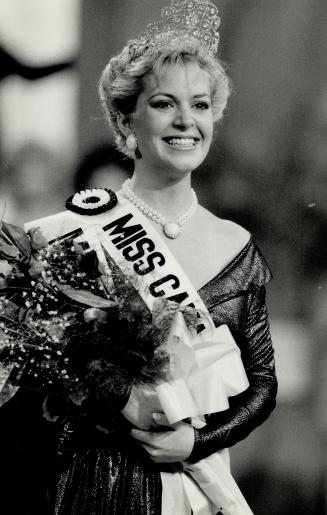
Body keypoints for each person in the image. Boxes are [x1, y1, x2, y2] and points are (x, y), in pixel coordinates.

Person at [2, 1, 277, 514]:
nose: (185, 121)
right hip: (93, 486)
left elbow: (262, 383)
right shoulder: (68, 237)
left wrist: (195, 442)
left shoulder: (237, 245)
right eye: (164, 104)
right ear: (127, 119)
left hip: (198, 488)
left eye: (199, 105)